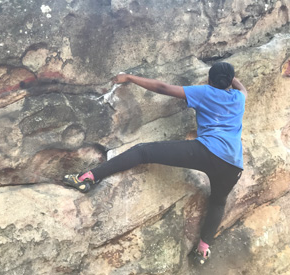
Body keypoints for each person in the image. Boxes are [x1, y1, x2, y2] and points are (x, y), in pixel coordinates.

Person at [63, 62, 247, 264]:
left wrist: (130, 77)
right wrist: (231, 79)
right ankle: (203, 250)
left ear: (210, 80)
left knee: (143, 152)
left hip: (207, 151)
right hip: (234, 164)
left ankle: (87, 177)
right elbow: (242, 88)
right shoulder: (239, 98)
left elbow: (163, 88)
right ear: (230, 82)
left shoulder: (205, 92)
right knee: (218, 202)